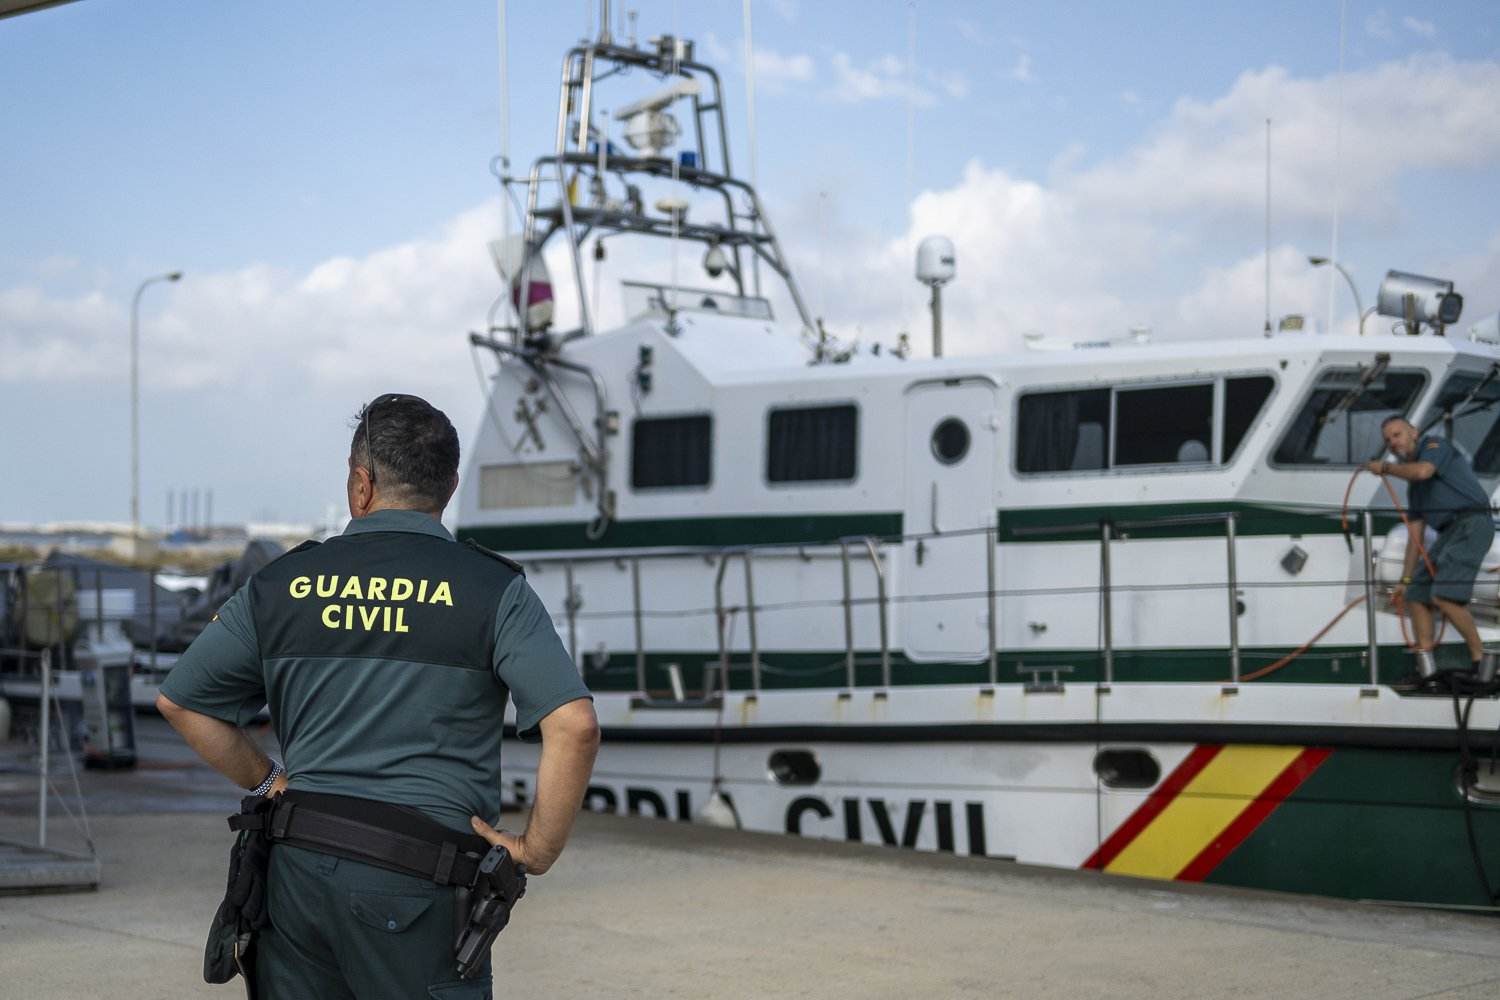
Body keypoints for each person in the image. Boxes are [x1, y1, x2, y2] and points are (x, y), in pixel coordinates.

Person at [157, 393, 599, 998]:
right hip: (420, 884)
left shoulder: (283, 583)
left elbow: (183, 703)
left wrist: (268, 781)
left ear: (360, 484)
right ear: (449, 486)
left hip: (295, 875)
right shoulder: (493, 589)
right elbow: (573, 725)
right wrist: (536, 849)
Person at [1366, 416, 1496, 673]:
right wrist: (1404, 582)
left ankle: (1482, 661)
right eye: (1388, 439)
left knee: (1444, 596)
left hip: (1472, 522)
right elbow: (1415, 539)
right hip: (1450, 532)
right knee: (1416, 594)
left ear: (1413, 432)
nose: (1392, 442)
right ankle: (1427, 669)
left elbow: (1423, 470)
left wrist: (1386, 468)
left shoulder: (1435, 446)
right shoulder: (1415, 491)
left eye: (1397, 434)